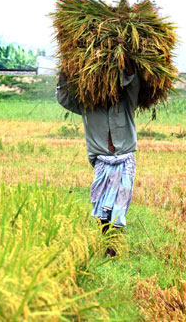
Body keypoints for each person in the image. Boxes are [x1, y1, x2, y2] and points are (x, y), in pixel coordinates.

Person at [56, 65, 139, 257]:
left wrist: (126, 61)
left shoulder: (126, 102)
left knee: (120, 203)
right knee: (101, 204)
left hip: (125, 159)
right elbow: (64, 99)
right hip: (101, 160)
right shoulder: (87, 105)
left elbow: (133, 82)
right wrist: (64, 75)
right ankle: (104, 241)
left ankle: (113, 245)